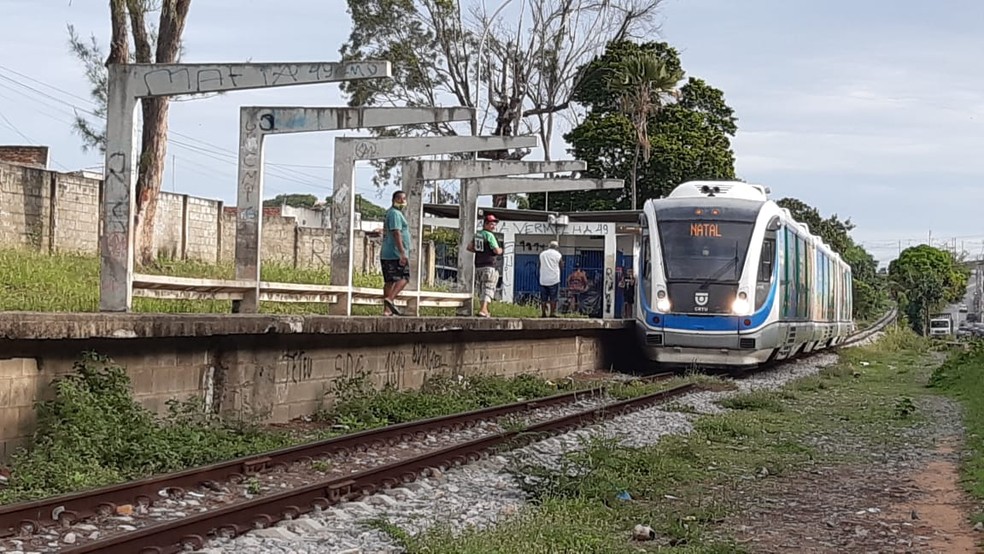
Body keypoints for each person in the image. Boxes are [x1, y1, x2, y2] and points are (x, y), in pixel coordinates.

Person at [380, 190, 411, 316]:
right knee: (404, 277)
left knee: (390, 281)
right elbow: (396, 232)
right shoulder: (395, 214)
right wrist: (402, 252)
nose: (404, 202)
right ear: (396, 199)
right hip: (395, 253)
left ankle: (387, 310)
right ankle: (390, 299)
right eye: (402, 199)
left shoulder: (394, 213)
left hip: (388, 253)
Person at [466, 213, 503, 317]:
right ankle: (483, 309)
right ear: (486, 224)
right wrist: (500, 250)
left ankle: (485, 310)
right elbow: (496, 250)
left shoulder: (478, 234)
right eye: (491, 224)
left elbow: (469, 247)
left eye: (494, 224)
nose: (494, 226)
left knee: (481, 288)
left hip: (478, 265)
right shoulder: (490, 235)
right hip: (489, 265)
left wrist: (479, 251)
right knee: (488, 288)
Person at [538, 241, 563, 317]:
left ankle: (543, 313)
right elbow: (561, 265)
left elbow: (539, 265)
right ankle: (552, 313)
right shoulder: (558, 255)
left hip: (543, 279)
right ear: (556, 247)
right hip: (554, 279)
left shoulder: (542, 254)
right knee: (553, 298)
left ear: (549, 246)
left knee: (543, 298)